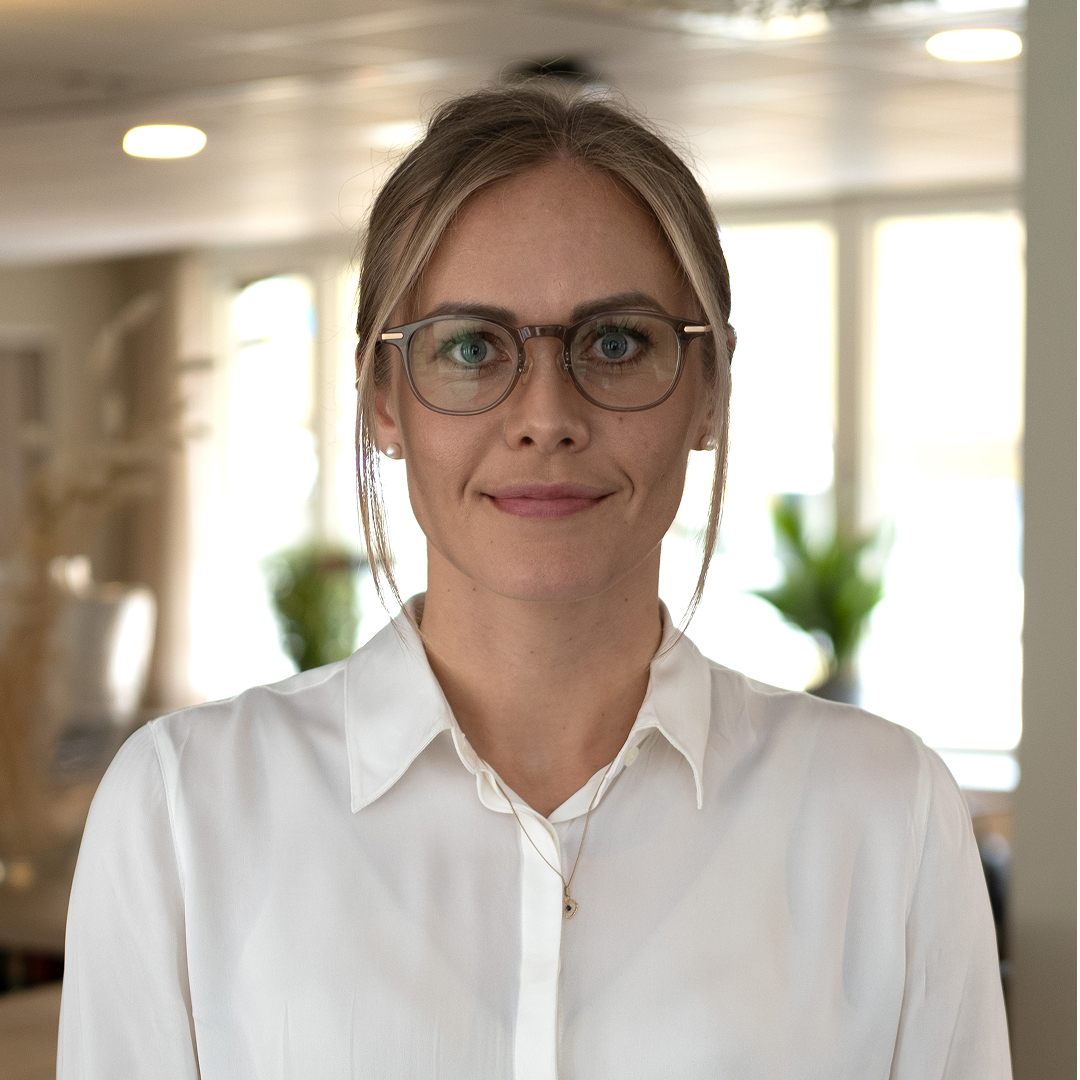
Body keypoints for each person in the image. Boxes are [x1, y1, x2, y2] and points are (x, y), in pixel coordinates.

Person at [58, 85, 1010, 1079]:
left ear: (711, 391)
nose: (547, 416)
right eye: (471, 348)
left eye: (617, 342)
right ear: (383, 400)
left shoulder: (885, 816)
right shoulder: (184, 811)